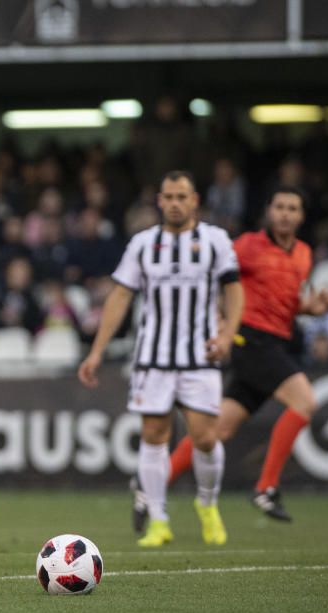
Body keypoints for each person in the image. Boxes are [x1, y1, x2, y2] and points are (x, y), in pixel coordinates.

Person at [146, 187, 328, 524]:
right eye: (280, 206)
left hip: (274, 343)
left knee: (217, 431)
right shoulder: (248, 246)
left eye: (293, 208)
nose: (286, 214)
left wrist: (309, 308)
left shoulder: (304, 253)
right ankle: (266, 487)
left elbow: (284, 303)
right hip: (250, 339)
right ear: (269, 211)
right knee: (305, 401)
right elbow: (213, 276)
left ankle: (151, 488)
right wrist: (217, 318)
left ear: (302, 216)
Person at [78, 171, 244, 547]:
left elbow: (234, 291)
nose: (174, 203)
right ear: (159, 201)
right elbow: (120, 297)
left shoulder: (215, 241)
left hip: (200, 356)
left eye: (181, 196)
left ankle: (207, 503)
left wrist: (226, 334)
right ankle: (159, 519)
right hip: (153, 356)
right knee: (153, 436)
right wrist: (97, 350)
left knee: (204, 438)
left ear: (194, 200)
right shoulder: (143, 244)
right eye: (168, 196)